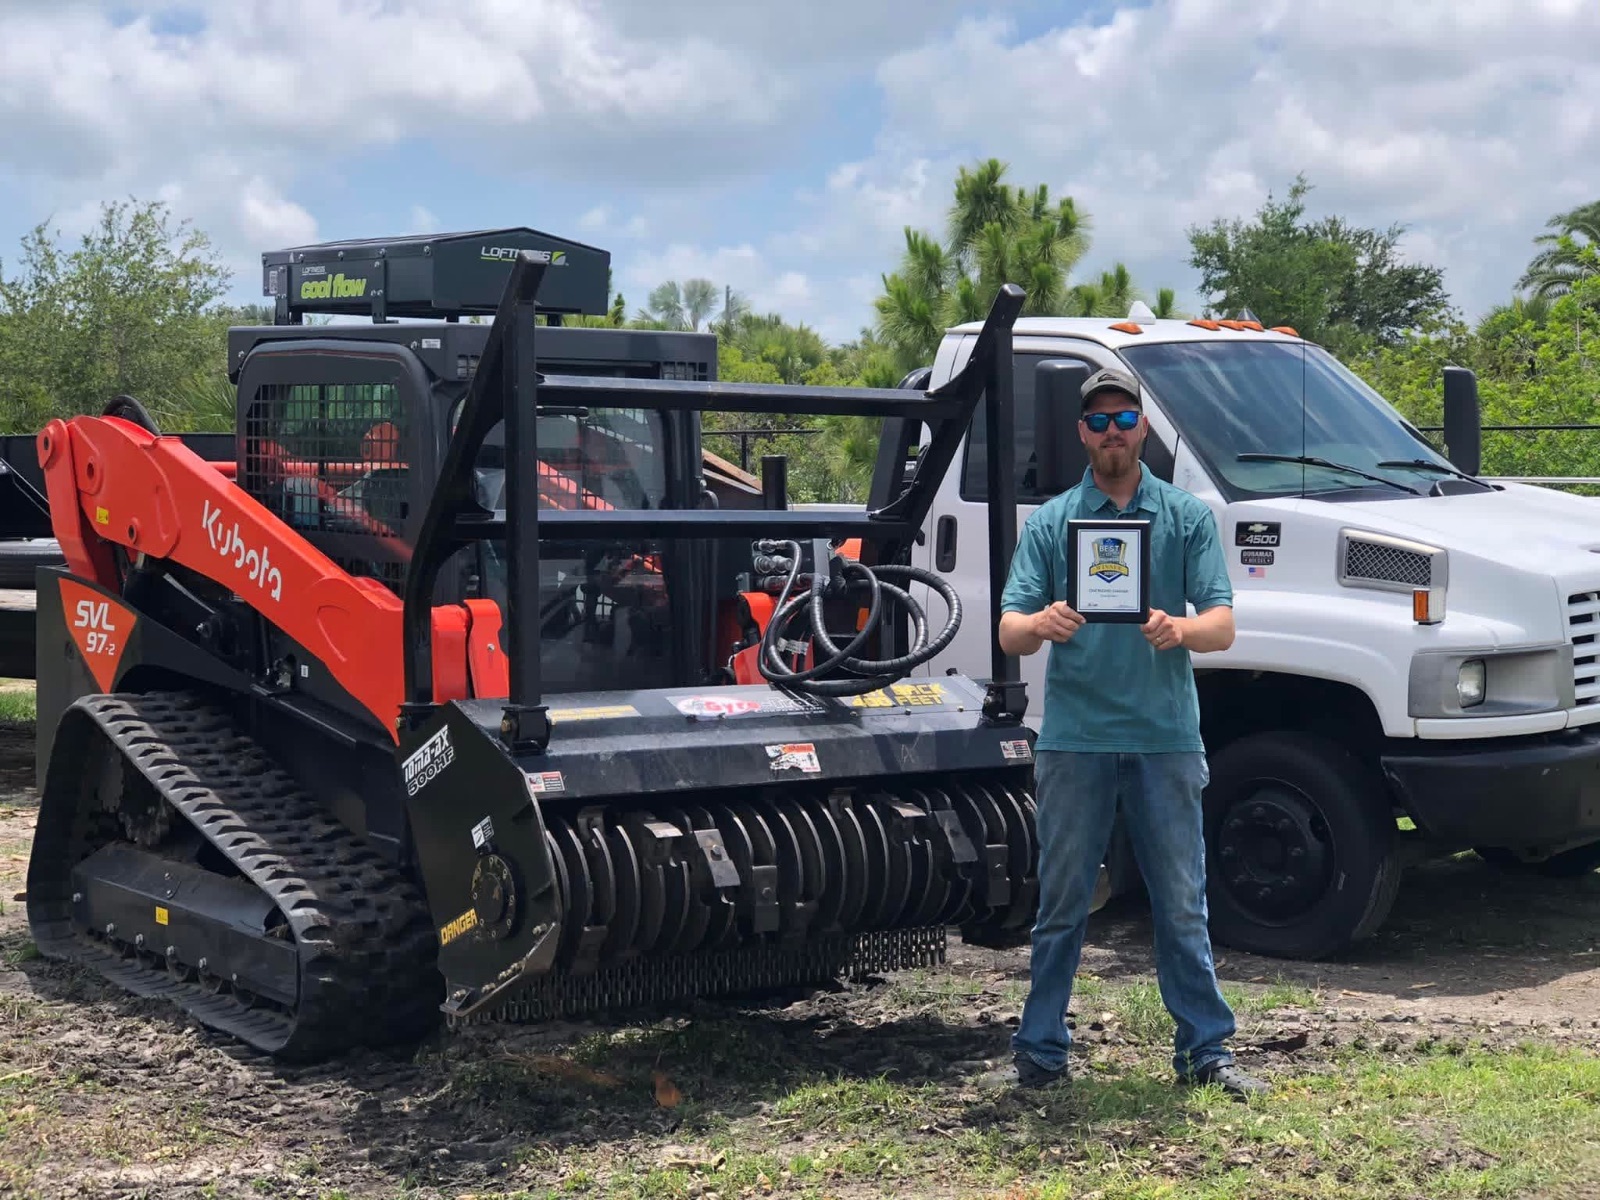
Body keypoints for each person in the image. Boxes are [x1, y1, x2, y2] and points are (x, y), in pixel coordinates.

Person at [997, 365, 1268, 1099]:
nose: (1112, 432)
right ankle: (1041, 1051)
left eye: (1124, 420)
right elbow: (1010, 629)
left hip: (1166, 738)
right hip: (1075, 740)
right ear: (1081, 432)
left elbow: (1222, 624)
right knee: (1060, 905)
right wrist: (1039, 622)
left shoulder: (1183, 517)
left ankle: (1206, 1052)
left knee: (1181, 902)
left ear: (1143, 428)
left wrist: (1179, 627)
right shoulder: (1055, 522)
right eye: (1098, 421)